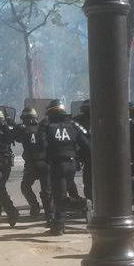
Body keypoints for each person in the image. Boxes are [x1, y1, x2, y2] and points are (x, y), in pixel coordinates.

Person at [42, 100, 88, 235]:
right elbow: (85, 142)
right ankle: (58, 226)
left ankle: (82, 204)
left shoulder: (47, 127)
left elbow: (41, 144)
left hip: (58, 165)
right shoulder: (72, 125)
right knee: (60, 196)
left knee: (60, 198)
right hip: (72, 165)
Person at [15, 107, 51, 220]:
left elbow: (15, 136)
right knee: (46, 191)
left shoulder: (22, 130)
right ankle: (49, 214)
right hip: (44, 164)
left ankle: (35, 207)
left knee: (25, 187)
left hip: (32, 165)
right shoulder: (43, 128)